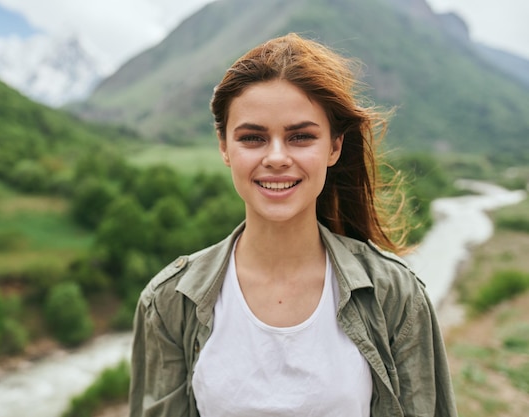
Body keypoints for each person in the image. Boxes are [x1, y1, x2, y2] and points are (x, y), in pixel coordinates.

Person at [129, 33, 457, 417]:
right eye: (253, 138)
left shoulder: (395, 296)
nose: (277, 157)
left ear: (334, 147)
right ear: (224, 147)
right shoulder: (170, 301)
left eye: (301, 137)